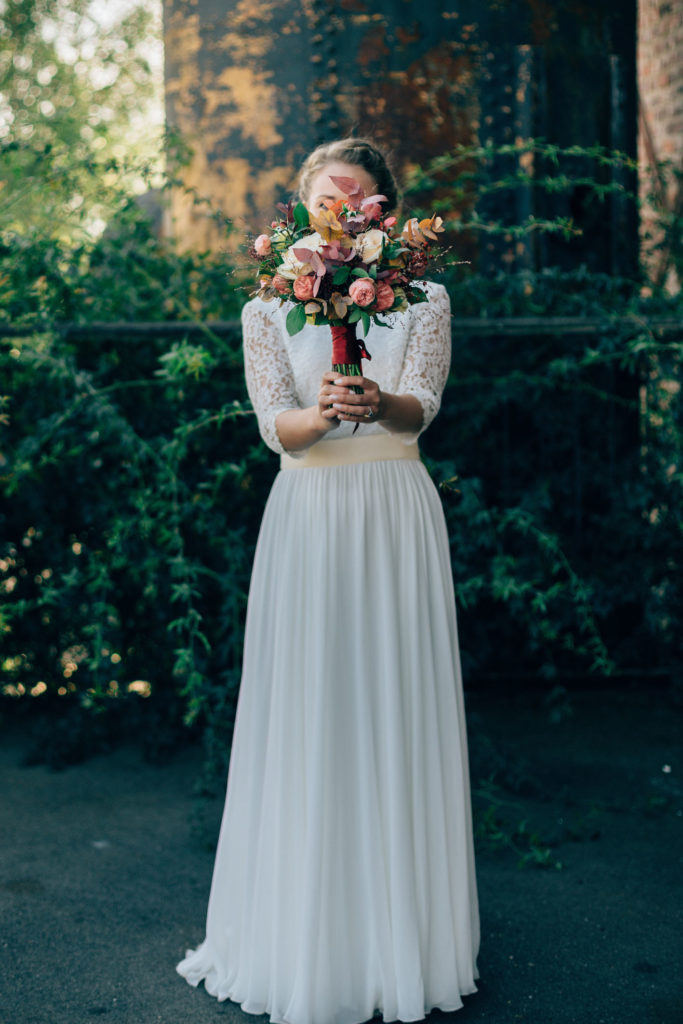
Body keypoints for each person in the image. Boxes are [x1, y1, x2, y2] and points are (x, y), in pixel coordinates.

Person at [176, 138, 480, 1024]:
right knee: (312, 708)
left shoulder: (425, 297)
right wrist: (318, 414)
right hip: (309, 513)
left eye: (359, 201)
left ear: (383, 210)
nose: (343, 215)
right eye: (326, 201)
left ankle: (401, 944)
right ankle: (302, 939)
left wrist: (378, 404)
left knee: (395, 699)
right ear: (301, 211)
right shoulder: (264, 310)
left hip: (393, 505)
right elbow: (276, 425)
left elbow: (423, 400)